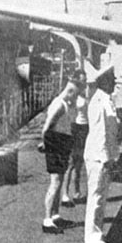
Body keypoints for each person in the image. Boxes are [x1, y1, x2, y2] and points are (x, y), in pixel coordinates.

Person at [84, 64, 119, 243]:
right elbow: (101, 132)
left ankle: (96, 233)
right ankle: (91, 237)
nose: (115, 81)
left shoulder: (106, 99)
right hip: (98, 156)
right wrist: (106, 159)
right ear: (104, 81)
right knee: (96, 196)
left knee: (101, 196)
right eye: (112, 79)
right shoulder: (98, 101)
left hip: (103, 155)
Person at [40, 77, 80, 234]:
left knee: (60, 179)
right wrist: (45, 144)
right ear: (69, 91)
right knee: (55, 182)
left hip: (62, 142)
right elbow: (47, 126)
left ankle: (55, 216)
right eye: (75, 95)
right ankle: (47, 220)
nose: (75, 98)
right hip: (56, 143)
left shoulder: (63, 104)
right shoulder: (59, 105)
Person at [61, 70, 88, 206]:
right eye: (82, 80)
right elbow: (68, 112)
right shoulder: (74, 95)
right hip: (75, 128)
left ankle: (77, 193)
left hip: (85, 129)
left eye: (85, 79)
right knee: (71, 163)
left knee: (79, 163)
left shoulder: (87, 93)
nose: (84, 82)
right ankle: (65, 195)